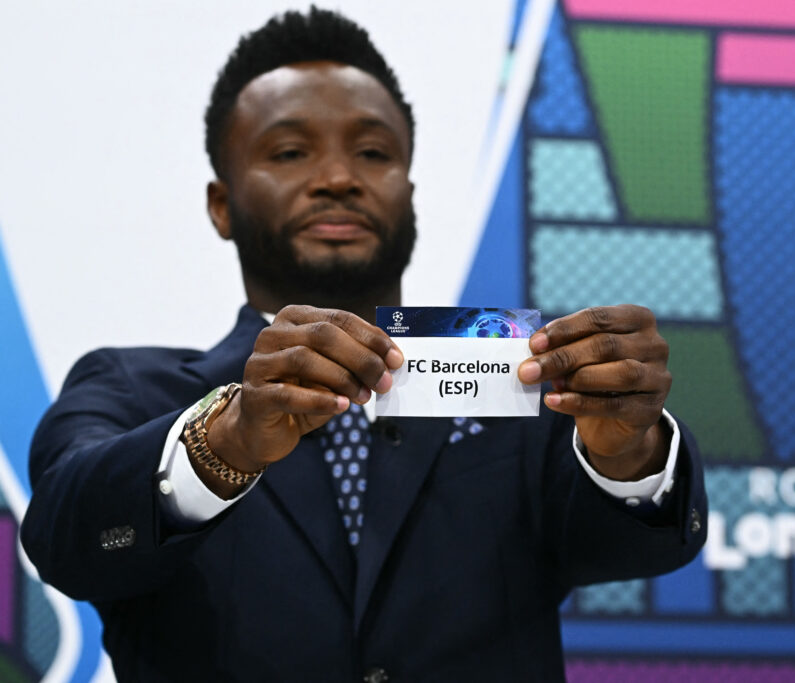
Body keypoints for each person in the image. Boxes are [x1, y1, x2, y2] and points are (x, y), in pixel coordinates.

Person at [21, 8, 707, 682]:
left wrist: (630, 453)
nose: (339, 177)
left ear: (408, 192)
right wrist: (224, 439)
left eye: (373, 152)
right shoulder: (131, 390)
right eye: (290, 152)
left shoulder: (532, 384)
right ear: (221, 204)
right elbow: (62, 539)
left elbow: (634, 546)